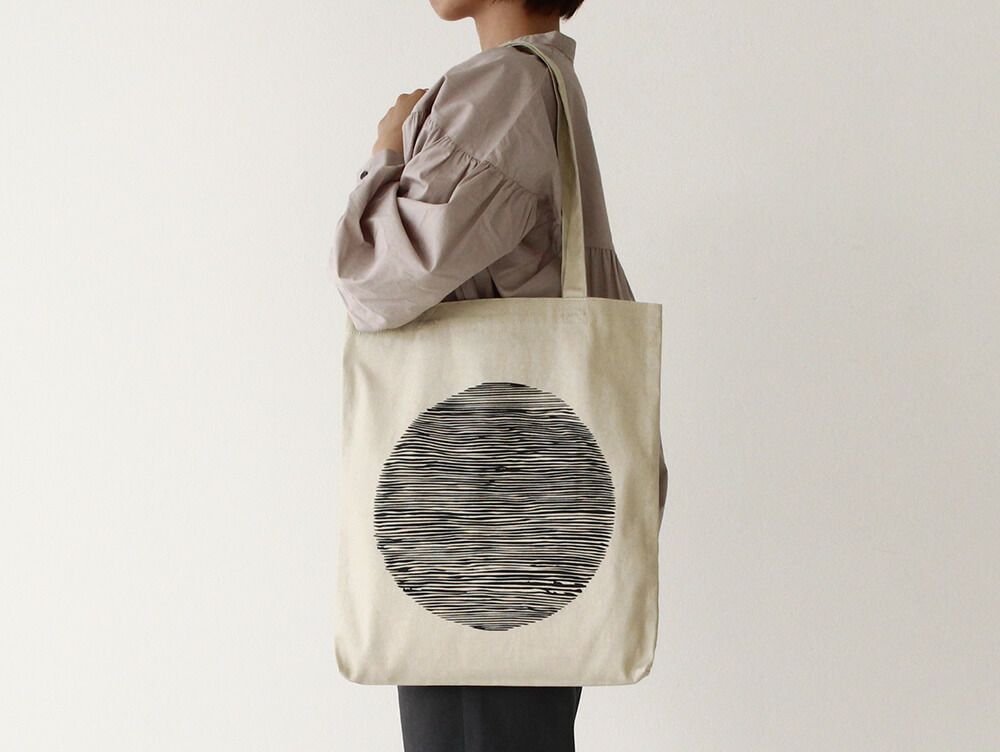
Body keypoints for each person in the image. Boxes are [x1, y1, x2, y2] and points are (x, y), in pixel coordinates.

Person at [330, 1, 668, 750]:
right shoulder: (547, 83)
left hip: (480, 523)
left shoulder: (499, 90)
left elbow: (374, 283)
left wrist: (386, 152)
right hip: (531, 509)